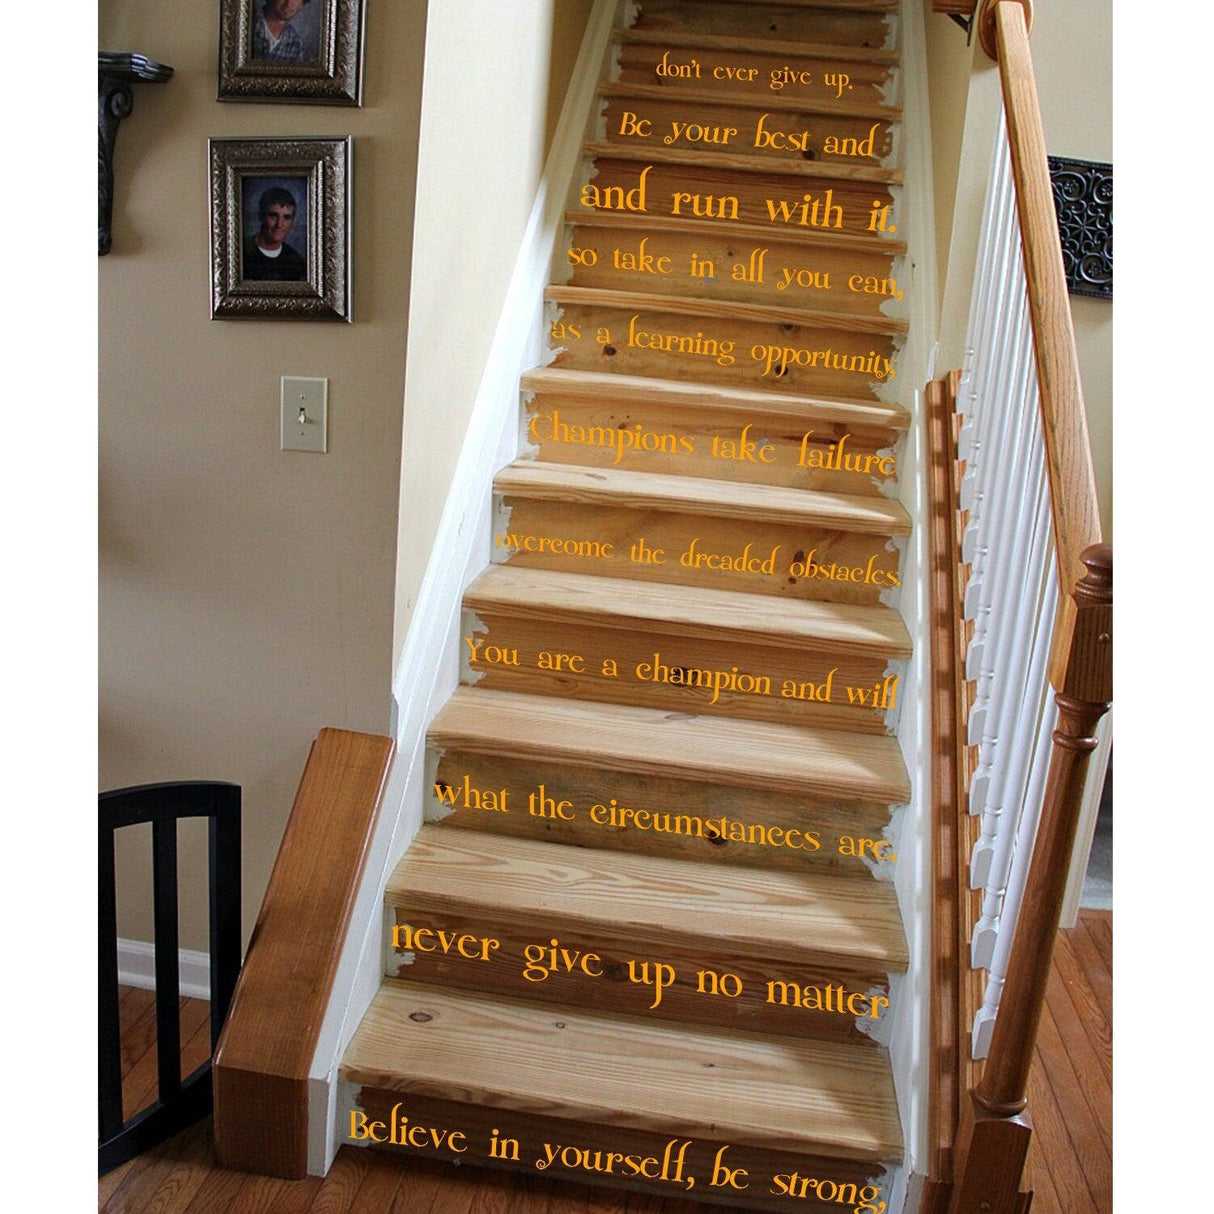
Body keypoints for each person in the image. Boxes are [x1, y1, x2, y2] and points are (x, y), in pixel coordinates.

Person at [242, 186, 307, 282]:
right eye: (273, 216)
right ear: (261, 217)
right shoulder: (241, 253)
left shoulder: (296, 262)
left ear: (292, 221)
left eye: (287, 217)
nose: (279, 224)